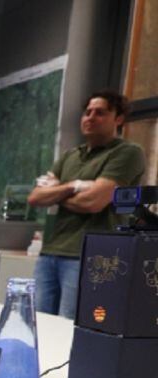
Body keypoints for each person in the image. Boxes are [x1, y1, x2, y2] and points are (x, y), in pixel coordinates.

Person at [27, 90, 145, 319]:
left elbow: (93, 202)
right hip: (50, 252)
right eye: (87, 112)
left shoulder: (127, 153)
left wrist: (57, 189)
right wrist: (75, 186)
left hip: (90, 256)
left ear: (118, 119)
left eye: (100, 113)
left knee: (70, 327)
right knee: (38, 324)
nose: (90, 117)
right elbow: (35, 198)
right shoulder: (71, 155)